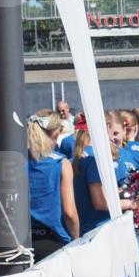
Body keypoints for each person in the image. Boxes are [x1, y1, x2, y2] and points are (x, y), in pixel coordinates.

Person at [27, 111, 79, 261]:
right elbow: (70, 213)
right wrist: (76, 240)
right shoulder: (61, 163)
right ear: (55, 132)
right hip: (54, 242)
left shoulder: (18, 160)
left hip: (21, 242)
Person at [74, 111, 135, 235]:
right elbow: (100, 203)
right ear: (106, 128)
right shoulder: (94, 159)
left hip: (89, 228)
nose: (113, 138)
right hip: (99, 230)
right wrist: (132, 203)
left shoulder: (82, 154)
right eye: (112, 132)